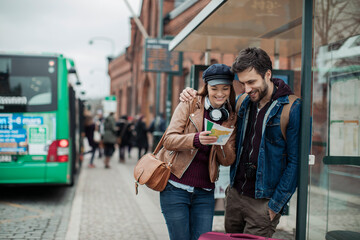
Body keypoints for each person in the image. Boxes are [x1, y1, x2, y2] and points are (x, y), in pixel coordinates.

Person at [179, 48, 301, 237]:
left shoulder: (291, 108)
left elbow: (296, 162)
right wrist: (191, 94)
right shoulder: (243, 101)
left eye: (251, 82)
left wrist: (275, 205)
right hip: (235, 197)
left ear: (267, 74)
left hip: (263, 202)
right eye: (242, 83)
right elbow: (213, 102)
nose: (247, 89)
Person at [161, 64, 237, 240]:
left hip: (205, 192)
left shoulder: (231, 116)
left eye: (225, 88)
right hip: (175, 188)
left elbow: (227, 161)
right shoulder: (190, 104)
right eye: (214, 88)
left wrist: (221, 139)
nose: (220, 93)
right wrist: (196, 139)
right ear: (206, 87)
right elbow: (168, 140)